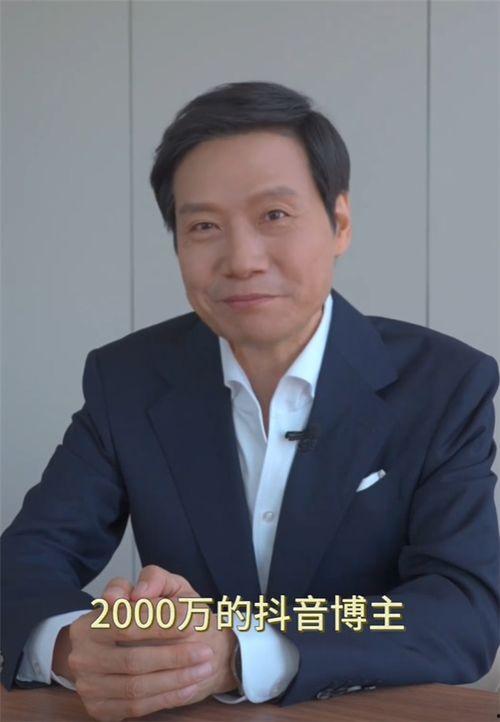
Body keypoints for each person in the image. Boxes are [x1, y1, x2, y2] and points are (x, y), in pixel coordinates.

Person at [1, 81, 499, 721]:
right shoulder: (127, 378)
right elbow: (24, 563)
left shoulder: (443, 383)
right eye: (204, 226)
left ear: (340, 223)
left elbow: (461, 610)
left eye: (275, 216)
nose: (241, 260)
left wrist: (238, 654)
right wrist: (78, 647)